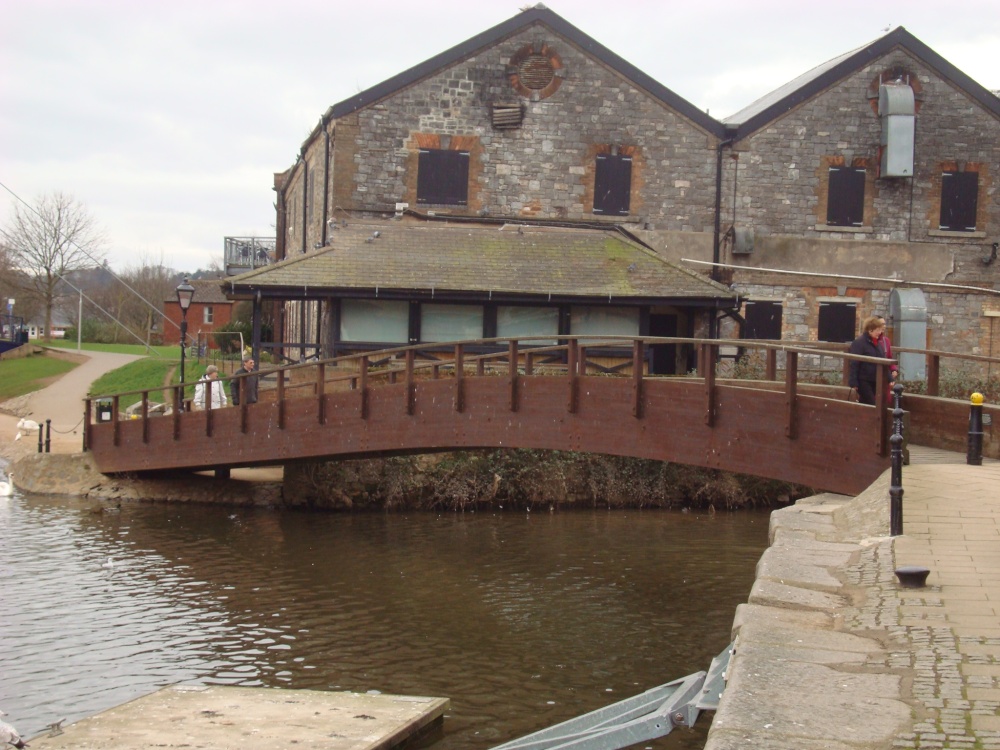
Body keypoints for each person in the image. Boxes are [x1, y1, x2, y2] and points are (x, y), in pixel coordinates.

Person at [848, 316, 890, 405]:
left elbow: (883, 360)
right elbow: (854, 363)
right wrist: (853, 382)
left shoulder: (877, 343)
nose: (880, 332)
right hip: (863, 380)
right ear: (870, 330)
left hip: (874, 379)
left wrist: (889, 378)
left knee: (865, 403)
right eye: (877, 330)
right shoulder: (859, 343)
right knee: (871, 403)